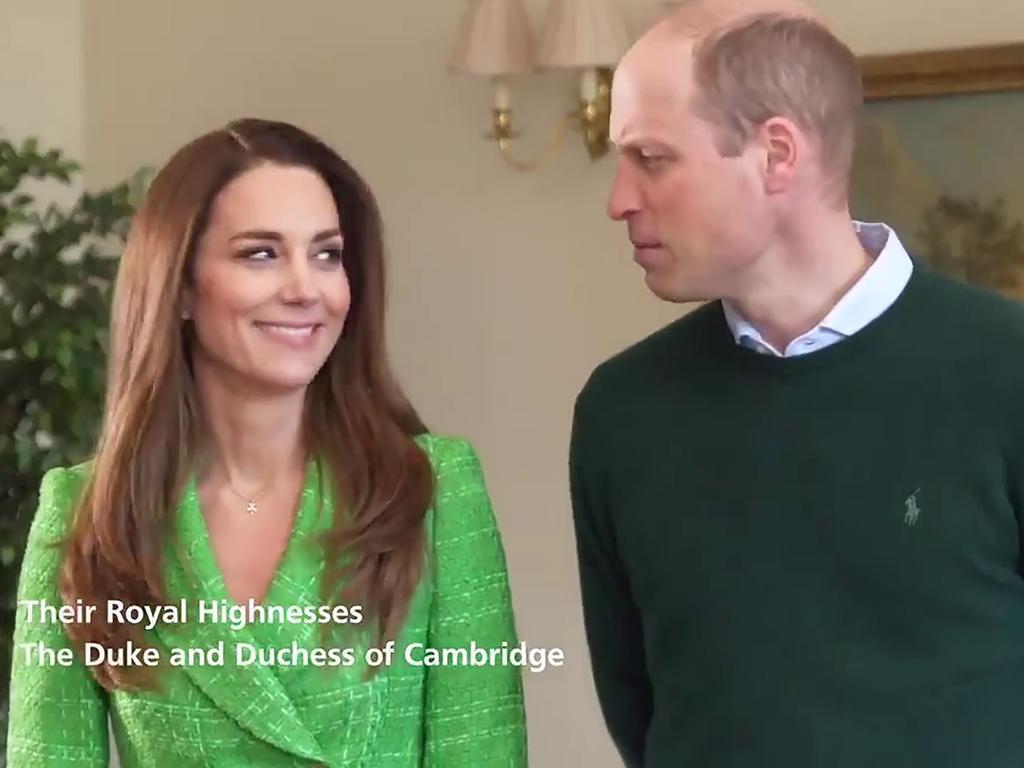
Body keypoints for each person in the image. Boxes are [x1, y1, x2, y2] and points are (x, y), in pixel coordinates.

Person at [569, 1, 1024, 767]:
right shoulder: (621, 413)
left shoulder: (1006, 370)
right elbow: (639, 707)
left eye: (651, 158)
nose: (619, 200)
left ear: (777, 154)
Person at [7, 118, 527, 767]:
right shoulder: (87, 510)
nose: (305, 288)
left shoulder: (433, 487)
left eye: (327, 254)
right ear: (183, 288)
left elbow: (482, 750)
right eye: (261, 253)